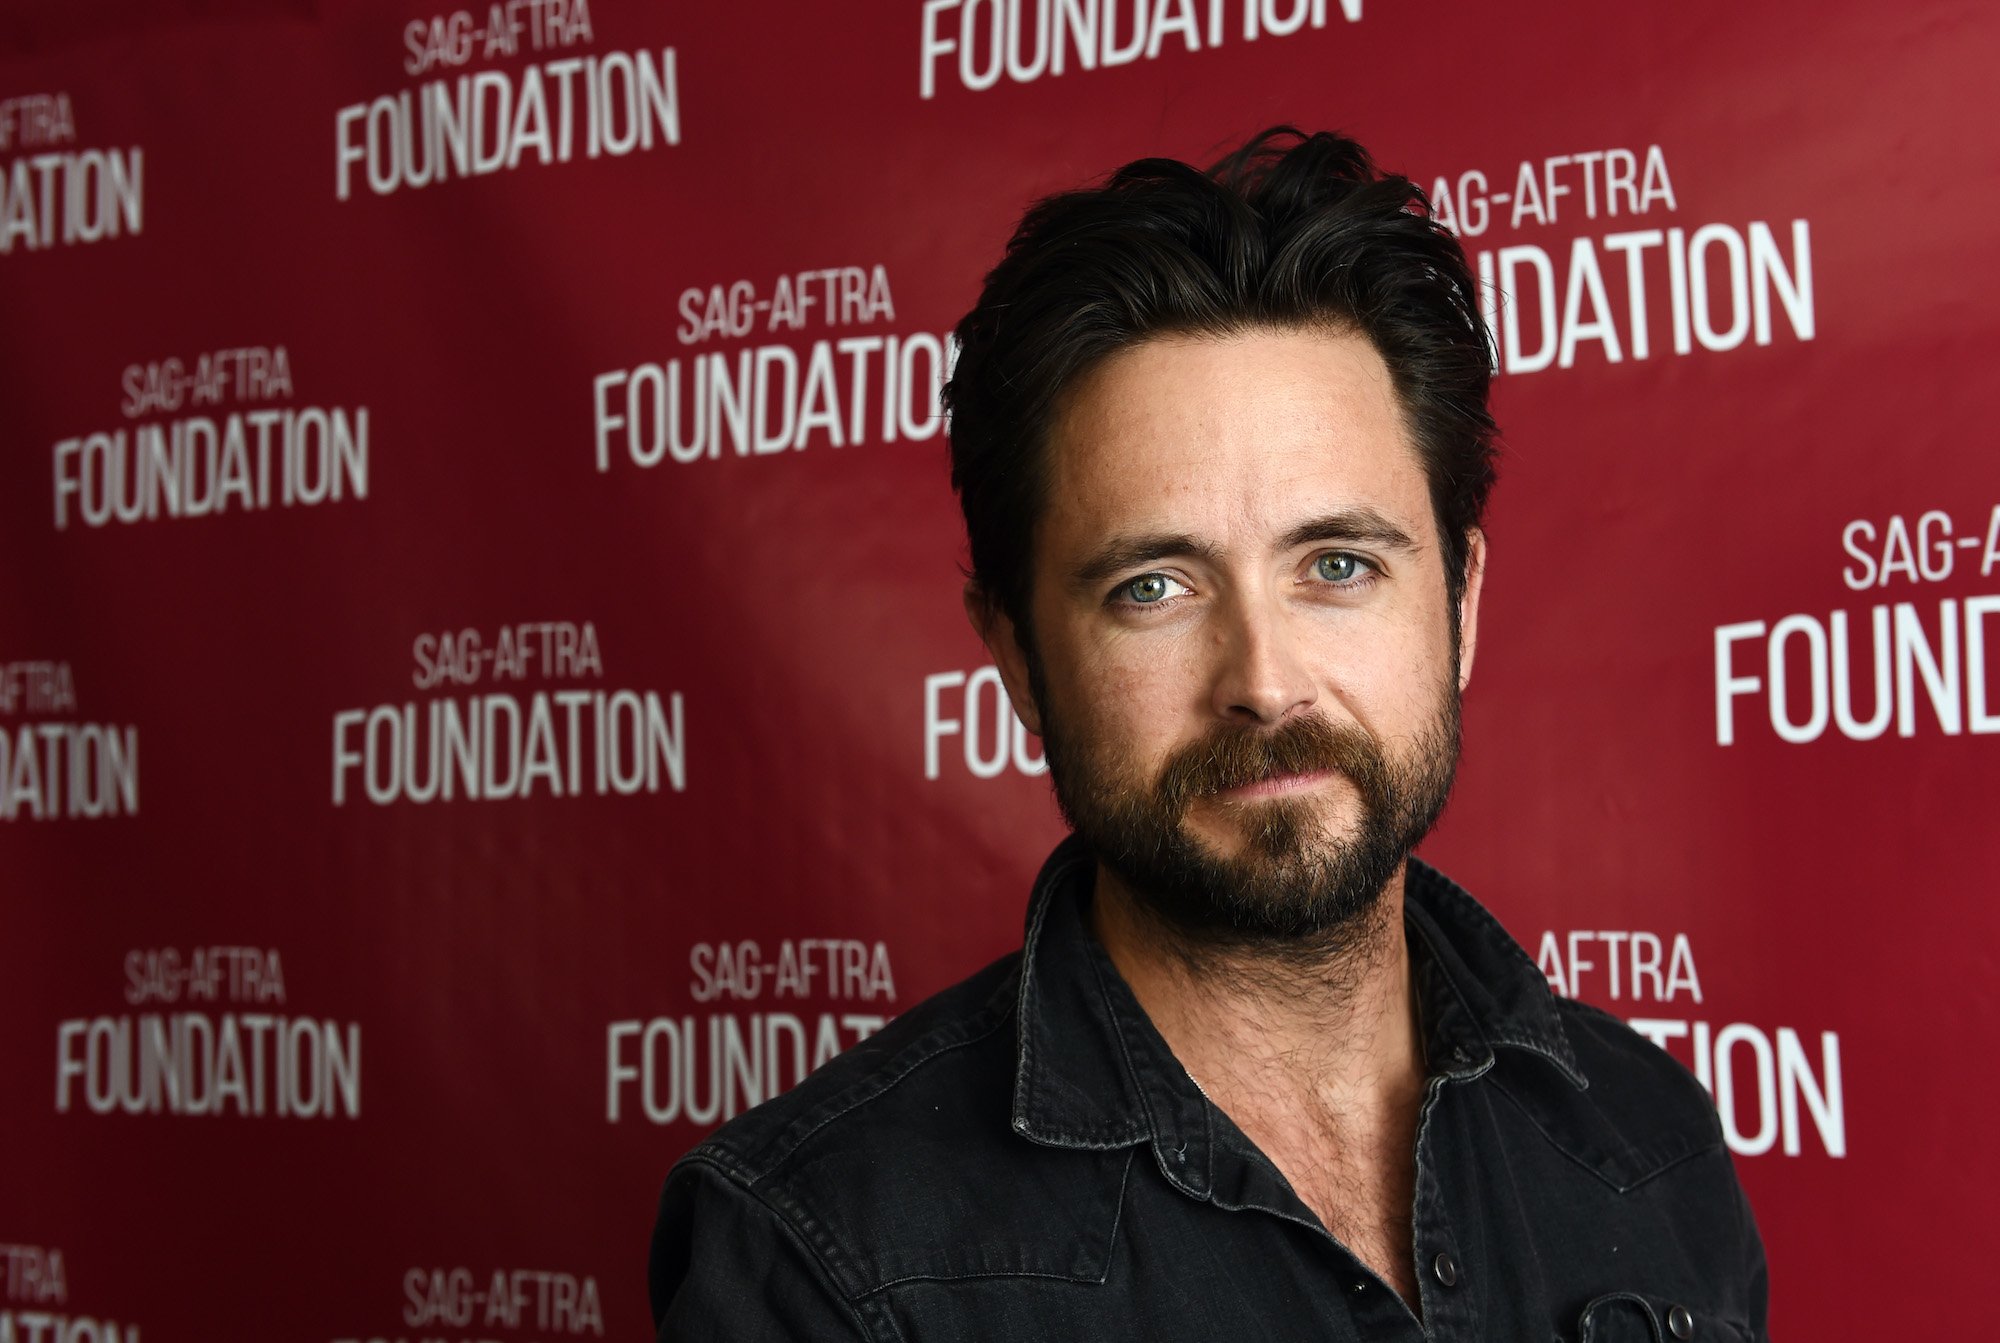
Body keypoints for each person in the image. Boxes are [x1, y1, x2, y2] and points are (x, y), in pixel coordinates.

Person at [649, 127, 1769, 1342]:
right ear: (1018, 660)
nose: (1263, 682)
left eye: (1336, 565)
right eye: (1153, 588)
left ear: (1459, 606)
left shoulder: (1646, 1135)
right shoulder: (823, 1261)